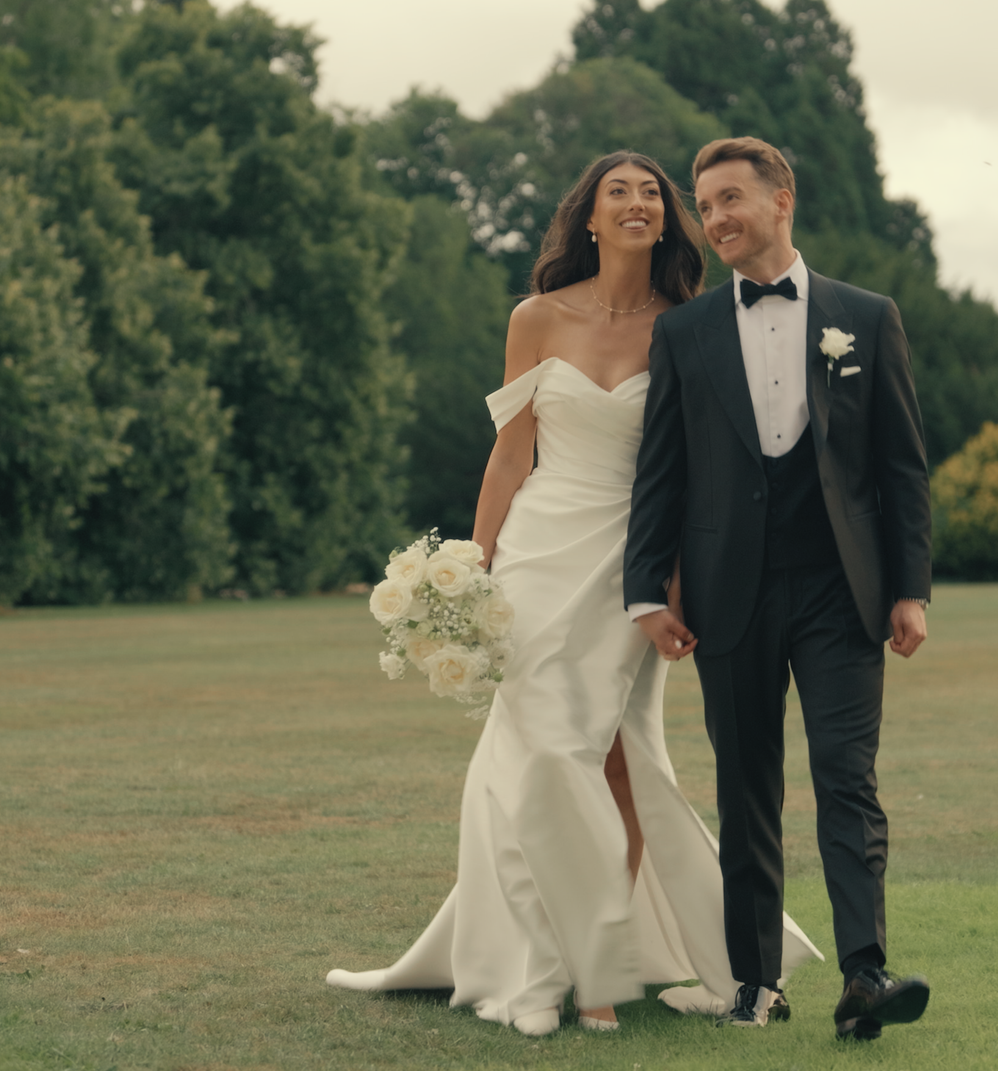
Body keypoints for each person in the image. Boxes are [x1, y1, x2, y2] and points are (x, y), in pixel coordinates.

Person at [325, 151, 820, 1036]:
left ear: (667, 221)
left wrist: (669, 584)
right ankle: (544, 973)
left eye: (650, 194)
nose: (635, 203)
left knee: (612, 761)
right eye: (615, 192)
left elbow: (695, 471)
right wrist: (470, 573)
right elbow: (512, 452)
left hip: (630, 570)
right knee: (545, 754)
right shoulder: (535, 317)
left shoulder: (688, 326)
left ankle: (592, 969)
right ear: (588, 219)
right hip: (534, 558)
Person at [623, 136, 935, 1040]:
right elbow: (662, 472)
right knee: (747, 786)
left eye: (729, 200)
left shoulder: (866, 318)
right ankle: (755, 983)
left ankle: (865, 976)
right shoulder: (683, 332)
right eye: (705, 204)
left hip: (845, 591)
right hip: (730, 592)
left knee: (848, 778)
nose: (714, 218)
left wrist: (908, 587)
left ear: (781, 199)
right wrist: (649, 590)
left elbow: (902, 468)